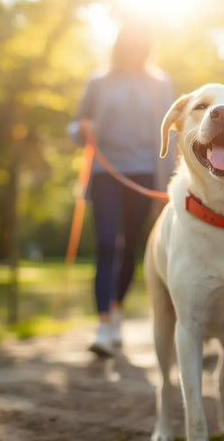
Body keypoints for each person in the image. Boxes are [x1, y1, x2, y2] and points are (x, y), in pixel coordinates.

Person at [70, 21, 174, 356]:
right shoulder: (98, 81)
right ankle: (103, 325)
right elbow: (76, 126)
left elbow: (168, 135)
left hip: (143, 175)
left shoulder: (160, 84)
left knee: (130, 248)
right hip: (105, 173)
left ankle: (114, 310)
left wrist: (169, 185)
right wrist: (82, 129)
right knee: (106, 244)